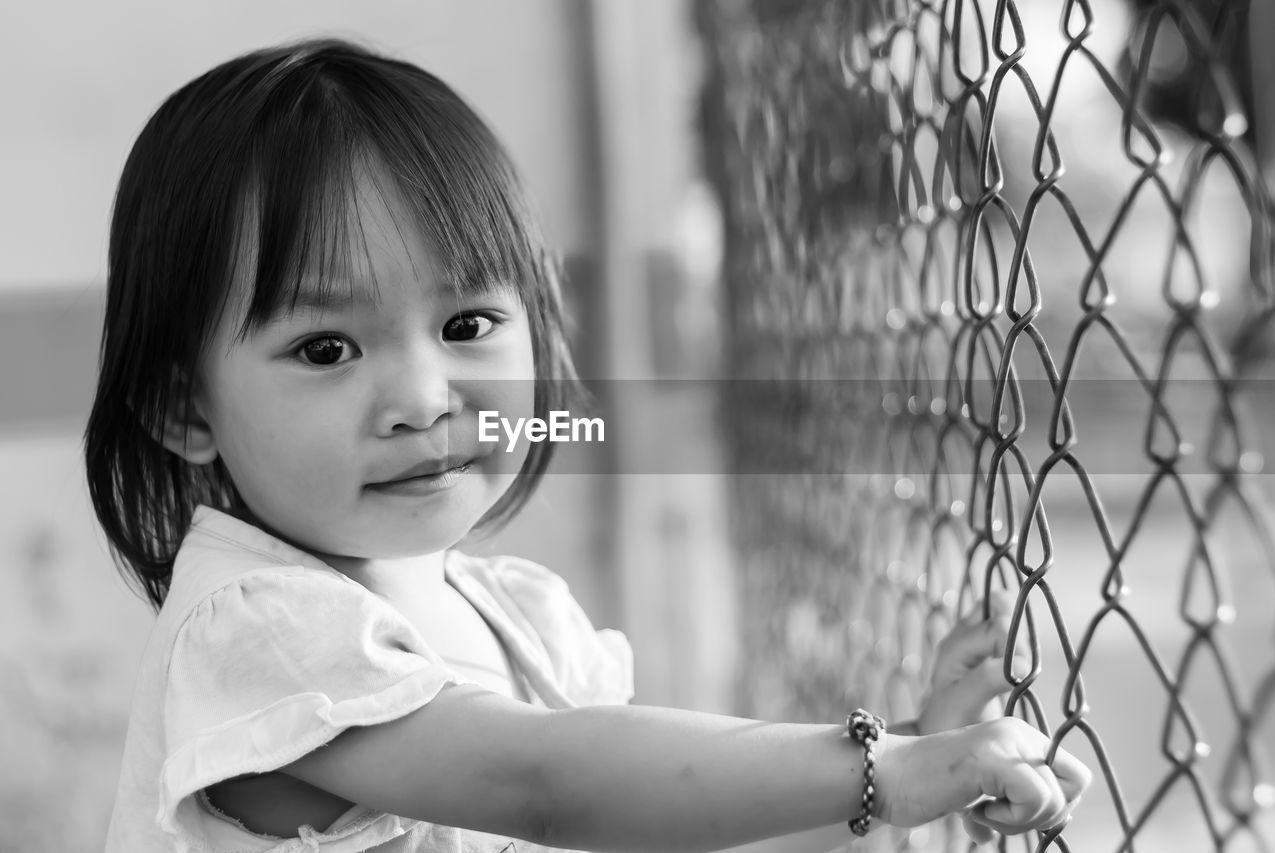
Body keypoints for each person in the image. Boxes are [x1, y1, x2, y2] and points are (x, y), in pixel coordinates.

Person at [86, 38, 1090, 853]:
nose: (422, 399)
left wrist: (903, 760)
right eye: (325, 347)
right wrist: (881, 769)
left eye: (467, 325)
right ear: (186, 409)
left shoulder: (514, 613)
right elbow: (545, 782)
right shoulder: (253, 628)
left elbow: (660, 822)